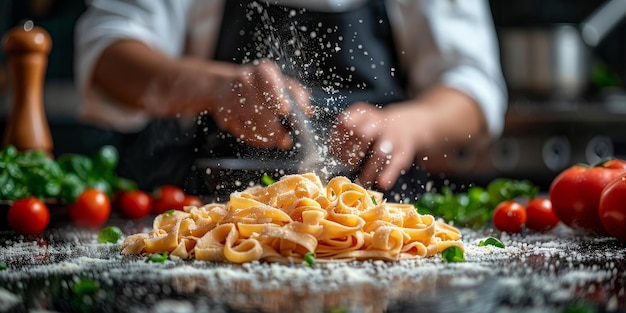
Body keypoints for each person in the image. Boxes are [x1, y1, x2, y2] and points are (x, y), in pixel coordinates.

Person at [74, 0, 507, 202]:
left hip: (384, 207)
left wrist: (409, 125)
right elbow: (106, 53)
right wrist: (215, 86)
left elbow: (472, 85)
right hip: (217, 212)